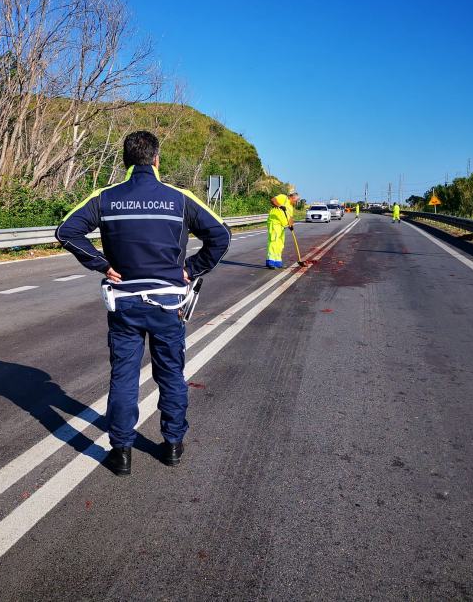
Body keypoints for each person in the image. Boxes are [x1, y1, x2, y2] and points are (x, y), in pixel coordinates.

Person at [55, 131, 231, 476]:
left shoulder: (105, 198)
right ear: (156, 159)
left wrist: (101, 264)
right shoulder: (178, 198)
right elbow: (220, 236)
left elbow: (66, 232)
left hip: (125, 306)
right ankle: (173, 446)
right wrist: (191, 269)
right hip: (168, 305)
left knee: (123, 378)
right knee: (171, 375)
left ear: (125, 160)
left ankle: (121, 452)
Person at [265, 191, 299, 269]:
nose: (296, 202)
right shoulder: (283, 197)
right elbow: (273, 200)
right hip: (274, 222)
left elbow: (290, 218)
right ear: (292, 197)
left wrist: (291, 225)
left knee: (280, 243)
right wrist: (280, 206)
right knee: (274, 240)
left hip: (281, 226)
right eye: (296, 200)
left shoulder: (290, 207)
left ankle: (277, 261)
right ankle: (270, 260)